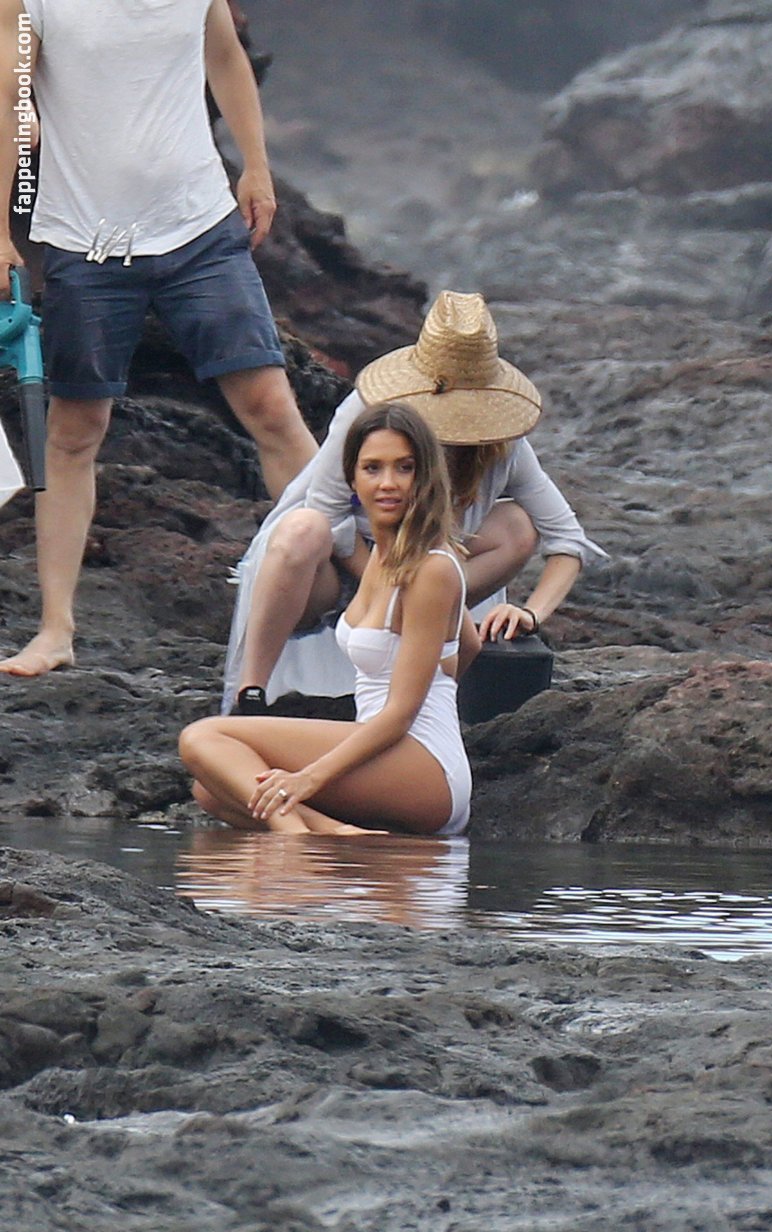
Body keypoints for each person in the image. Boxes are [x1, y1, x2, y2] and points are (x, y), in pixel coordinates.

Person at [0, 0, 317, 678]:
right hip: (84, 242)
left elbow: (225, 56)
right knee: (73, 431)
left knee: (271, 408)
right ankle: (55, 630)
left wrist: (255, 165)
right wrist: (0, 230)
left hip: (200, 228)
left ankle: (356, 595)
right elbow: (8, 101)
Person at [222, 290, 607, 713]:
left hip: (426, 575)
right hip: (341, 569)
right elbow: (327, 510)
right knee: (303, 528)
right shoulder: (371, 413)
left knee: (516, 524)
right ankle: (250, 691)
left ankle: (424, 653)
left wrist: (531, 614)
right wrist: (383, 580)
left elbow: (568, 539)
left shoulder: (501, 443)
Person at [180, 402, 477, 836]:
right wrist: (442, 663)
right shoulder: (382, 555)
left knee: (203, 739)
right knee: (213, 789)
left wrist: (308, 779)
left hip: (425, 760)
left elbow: (400, 713)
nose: (388, 483)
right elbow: (468, 642)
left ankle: (297, 839)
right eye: (372, 468)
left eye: (405, 468)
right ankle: (336, 835)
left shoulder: (431, 567)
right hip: (381, 749)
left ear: (425, 476)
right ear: (352, 479)